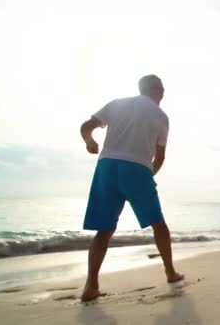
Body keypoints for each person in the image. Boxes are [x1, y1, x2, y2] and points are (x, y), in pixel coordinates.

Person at [79, 74, 184, 302]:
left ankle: (91, 286)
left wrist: (89, 141)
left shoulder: (117, 103)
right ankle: (170, 273)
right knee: (158, 224)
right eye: (163, 90)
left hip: (107, 167)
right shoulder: (161, 117)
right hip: (137, 169)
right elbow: (160, 156)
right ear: (158, 90)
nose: (163, 94)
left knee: (104, 230)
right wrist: (148, 175)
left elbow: (86, 127)